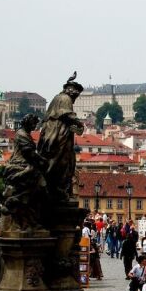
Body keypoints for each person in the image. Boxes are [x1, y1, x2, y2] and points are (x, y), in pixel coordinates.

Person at [37, 73, 84, 202]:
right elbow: (67, 114)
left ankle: (55, 188)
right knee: (63, 162)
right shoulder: (65, 98)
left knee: (60, 161)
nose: (76, 97)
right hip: (59, 134)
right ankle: (58, 189)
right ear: (72, 91)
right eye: (76, 94)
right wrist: (80, 123)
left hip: (52, 132)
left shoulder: (57, 97)